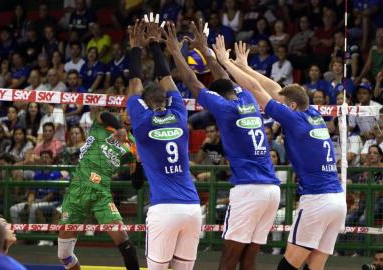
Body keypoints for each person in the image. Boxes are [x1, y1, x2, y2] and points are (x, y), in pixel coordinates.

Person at [213, 36, 346, 270]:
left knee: (287, 267)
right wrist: (245, 67)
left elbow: (255, 90)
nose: (281, 104)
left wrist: (227, 63)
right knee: (315, 266)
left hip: (317, 200)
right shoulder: (313, 113)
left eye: (285, 104)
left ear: (292, 106)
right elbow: (277, 90)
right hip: (337, 200)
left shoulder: (294, 119)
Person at [170, 20, 280, 270]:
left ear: (217, 97)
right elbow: (223, 77)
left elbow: (192, 82)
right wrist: (205, 50)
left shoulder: (225, 108)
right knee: (248, 259)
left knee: (228, 260)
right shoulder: (248, 98)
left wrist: (176, 50)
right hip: (271, 190)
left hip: (249, 189)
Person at [127, 18, 201, 270]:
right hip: (192, 208)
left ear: (146, 103)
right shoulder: (180, 114)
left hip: (164, 208)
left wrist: (136, 47)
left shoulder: (141, 121)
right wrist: (155, 45)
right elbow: (167, 77)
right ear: (168, 100)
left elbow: (135, 84)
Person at [57, 105, 140, 270]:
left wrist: (139, 161)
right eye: (127, 111)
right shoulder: (105, 123)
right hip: (78, 188)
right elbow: (104, 114)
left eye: (134, 112)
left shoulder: (133, 144)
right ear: (121, 112)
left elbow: (137, 183)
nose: (130, 115)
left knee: (122, 237)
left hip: (102, 192)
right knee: (64, 255)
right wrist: (120, 129)